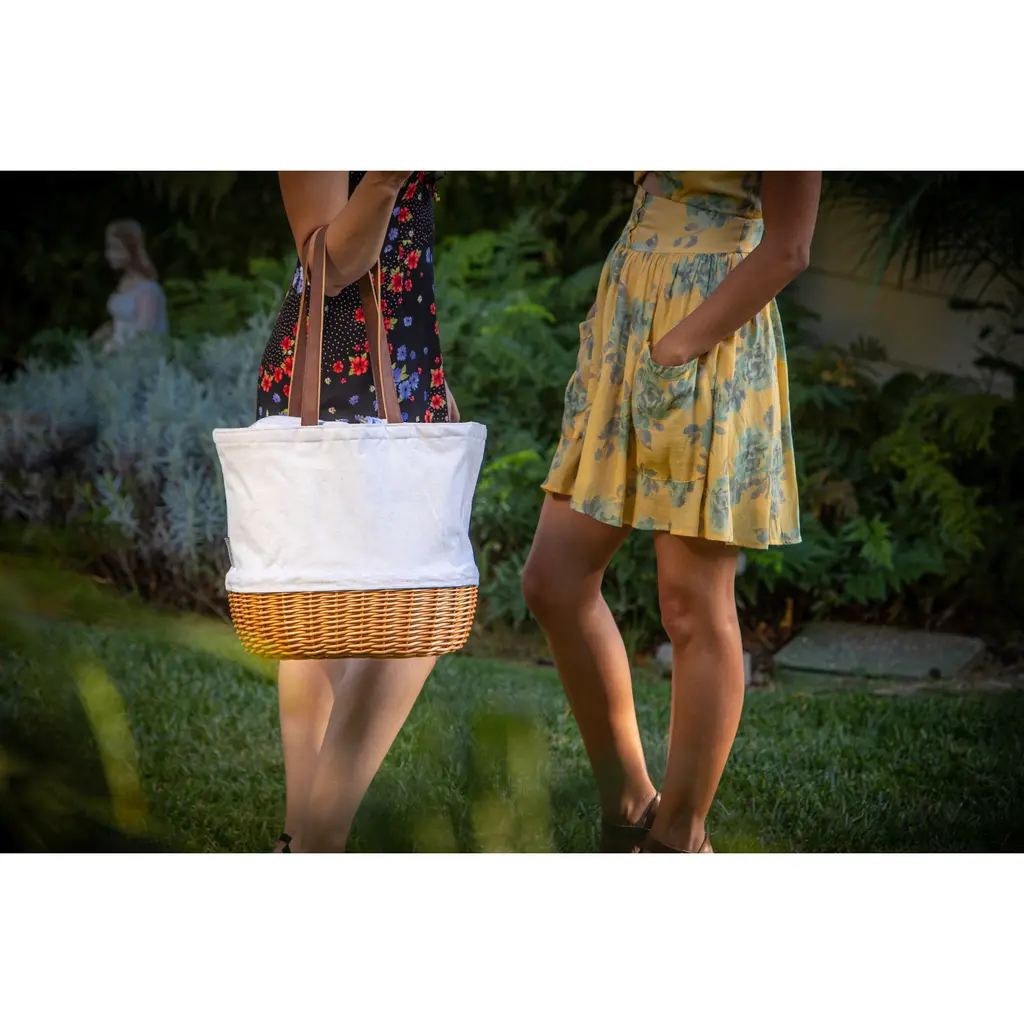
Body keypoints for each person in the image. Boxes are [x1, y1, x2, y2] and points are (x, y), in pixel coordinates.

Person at [522, 171, 821, 853]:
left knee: (691, 604)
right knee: (554, 582)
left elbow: (790, 246)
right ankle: (630, 807)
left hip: (706, 331)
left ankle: (679, 838)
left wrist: (677, 346)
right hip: (628, 313)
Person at [258, 171, 457, 853]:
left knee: (341, 613)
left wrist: (432, 376)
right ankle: (320, 840)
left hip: (406, 363)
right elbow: (332, 265)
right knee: (407, 604)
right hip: (333, 372)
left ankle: (300, 841)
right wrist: (386, 178)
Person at [93, 219, 169, 352]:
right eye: (109, 248)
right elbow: (120, 324)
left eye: (116, 248)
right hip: (116, 354)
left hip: (137, 356)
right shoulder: (124, 282)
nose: (109, 255)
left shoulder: (148, 290)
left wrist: (112, 349)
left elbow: (143, 334)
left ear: (131, 249)